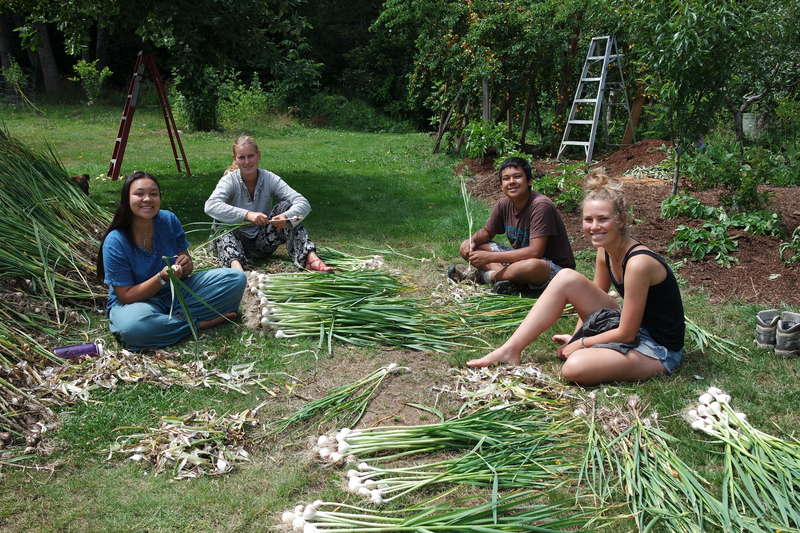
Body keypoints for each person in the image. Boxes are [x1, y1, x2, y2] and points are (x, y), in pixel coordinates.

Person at [466, 170, 685, 386]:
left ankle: (601, 354)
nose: (594, 227)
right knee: (566, 277)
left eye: (603, 219)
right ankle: (510, 349)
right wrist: (577, 335)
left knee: (574, 367)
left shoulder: (638, 263)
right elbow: (592, 306)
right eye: (588, 219)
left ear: (621, 220)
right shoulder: (605, 251)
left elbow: (626, 334)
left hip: (657, 348)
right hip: (632, 329)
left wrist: (582, 343)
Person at [97, 171, 247, 350]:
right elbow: (126, 295)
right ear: (126, 199)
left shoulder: (168, 220)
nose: (147, 199)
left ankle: (168, 322)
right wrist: (161, 278)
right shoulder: (116, 241)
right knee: (132, 329)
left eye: (153, 194)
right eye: (139, 194)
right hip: (136, 304)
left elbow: (186, 265)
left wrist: (186, 265)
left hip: (176, 292)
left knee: (236, 279)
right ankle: (198, 323)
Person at [448, 157, 575, 295]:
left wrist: (490, 258)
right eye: (506, 178)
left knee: (532, 265)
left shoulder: (540, 206)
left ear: (529, 181)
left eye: (517, 177)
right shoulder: (504, 204)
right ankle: (508, 281)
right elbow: (487, 232)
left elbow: (535, 252)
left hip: (554, 270)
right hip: (521, 261)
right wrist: (472, 242)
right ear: (502, 186)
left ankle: (484, 277)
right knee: (470, 247)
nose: (512, 182)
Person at [204, 135, 332, 272]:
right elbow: (210, 205)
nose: (247, 162)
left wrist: (286, 217)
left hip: (262, 243)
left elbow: (303, 203)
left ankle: (310, 258)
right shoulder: (229, 180)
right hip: (232, 245)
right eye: (242, 157)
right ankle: (238, 272)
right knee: (220, 222)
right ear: (235, 159)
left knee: (285, 207)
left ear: (258, 156)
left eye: (251, 156)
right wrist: (247, 215)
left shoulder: (269, 178)